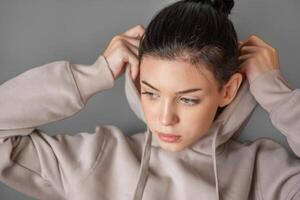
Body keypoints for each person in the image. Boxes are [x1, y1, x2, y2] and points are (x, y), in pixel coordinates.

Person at [0, 0, 299, 199]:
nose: (165, 117)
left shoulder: (264, 173)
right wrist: (92, 75)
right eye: (151, 93)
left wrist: (275, 93)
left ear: (228, 90)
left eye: (188, 100)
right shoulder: (98, 159)